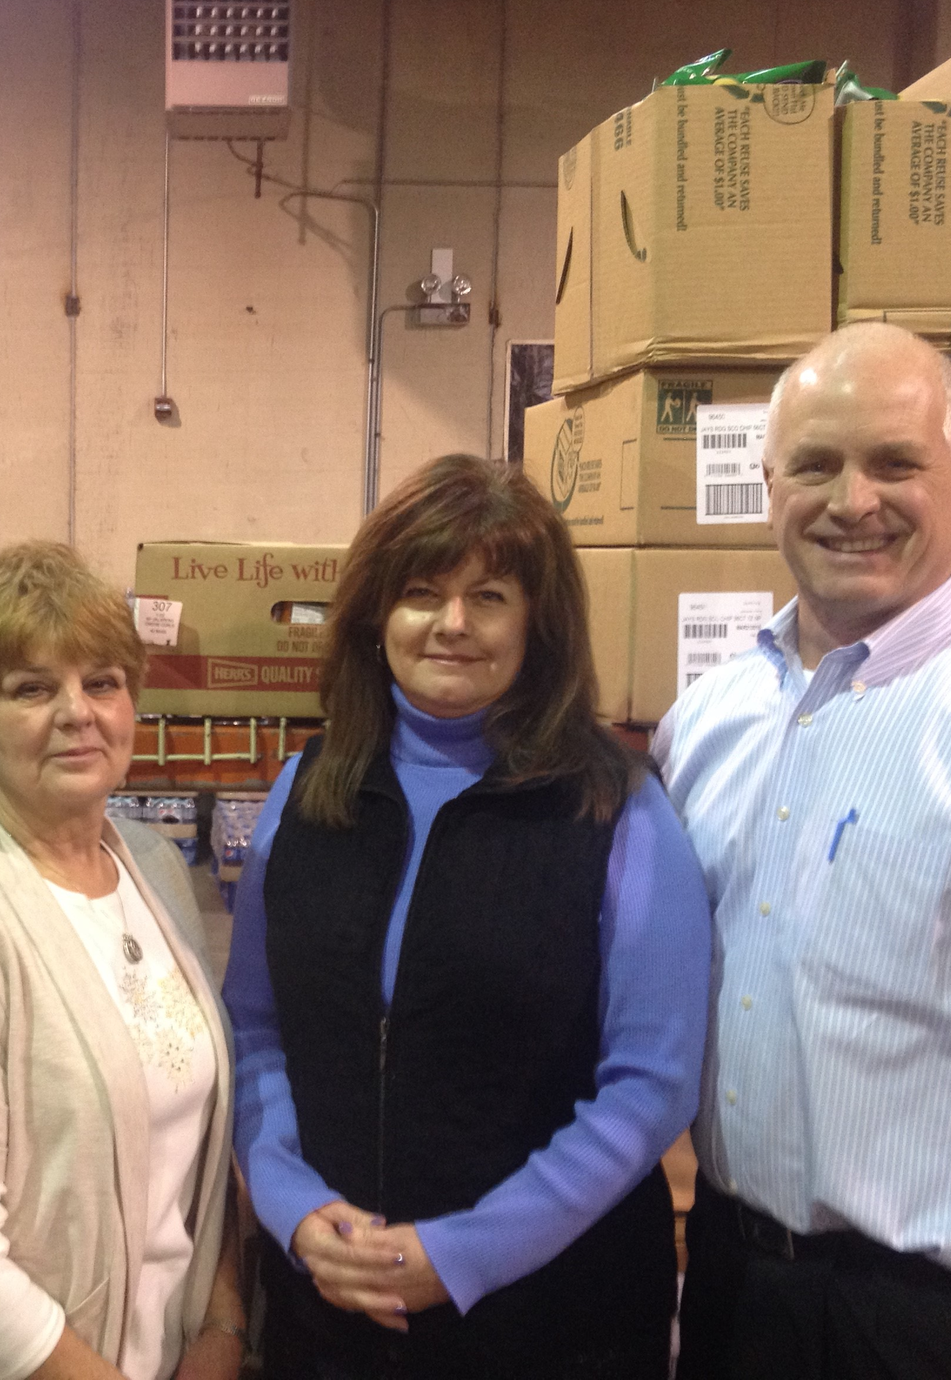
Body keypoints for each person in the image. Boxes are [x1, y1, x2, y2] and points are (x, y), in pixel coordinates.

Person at [656, 322, 951, 1380]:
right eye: (815, 465)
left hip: (950, 1328)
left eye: (895, 463)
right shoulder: (705, 724)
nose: (853, 500)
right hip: (739, 1297)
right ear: (767, 482)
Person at [224, 454, 712, 1379]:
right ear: (376, 616)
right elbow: (253, 1026)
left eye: (488, 595)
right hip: (330, 1312)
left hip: (556, 1324)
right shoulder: (310, 786)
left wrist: (460, 1255)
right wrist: (289, 1204)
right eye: (420, 591)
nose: (451, 623)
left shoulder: (616, 807)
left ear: (538, 622)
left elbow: (651, 1085)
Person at [0, 541, 245, 1380]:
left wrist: (223, 1326)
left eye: (102, 682)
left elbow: (196, 1154)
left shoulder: (153, 865)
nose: (78, 712)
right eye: (32, 688)